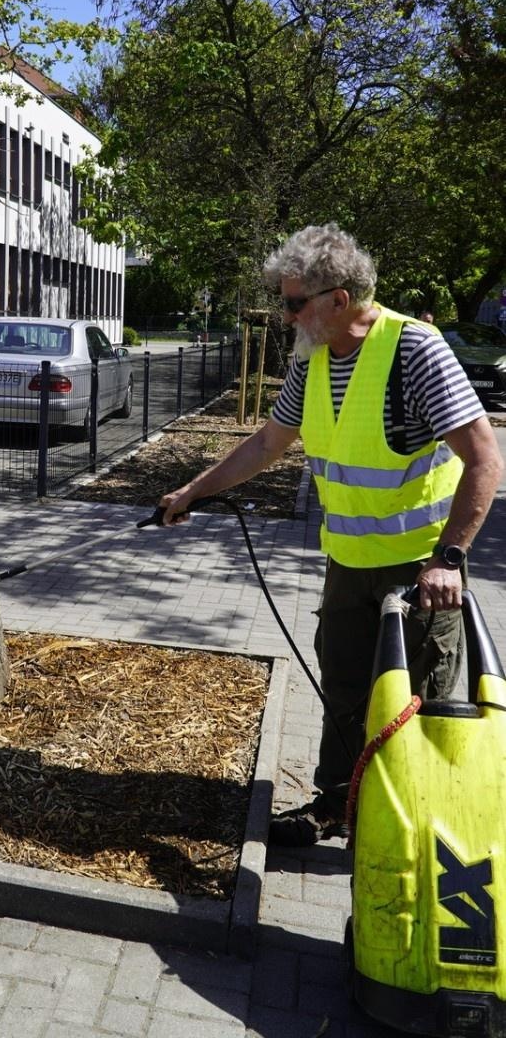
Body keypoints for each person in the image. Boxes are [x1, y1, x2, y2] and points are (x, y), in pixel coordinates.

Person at [160, 223, 503, 846]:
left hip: (420, 572)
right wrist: (193, 492)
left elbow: (484, 457)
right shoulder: (313, 360)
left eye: (294, 303)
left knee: (411, 706)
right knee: (343, 691)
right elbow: (268, 442)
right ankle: (336, 805)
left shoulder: (414, 350)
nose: (284, 316)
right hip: (346, 564)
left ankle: (404, 831)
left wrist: (449, 558)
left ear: (338, 300)